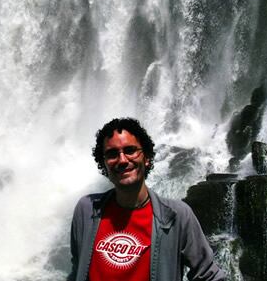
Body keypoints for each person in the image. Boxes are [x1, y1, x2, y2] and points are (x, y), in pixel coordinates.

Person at [67, 117, 226, 281]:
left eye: (130, 150)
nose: (122, 160)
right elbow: (77, 269)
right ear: (104, 163)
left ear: (147, 158)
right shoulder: (86, 210)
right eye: (112, 154)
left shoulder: (177, 216)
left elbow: (210, 275)